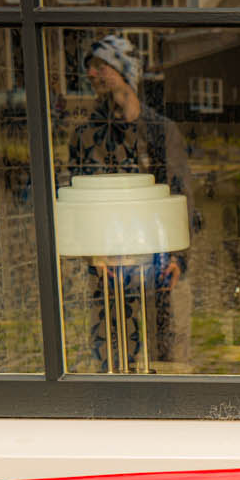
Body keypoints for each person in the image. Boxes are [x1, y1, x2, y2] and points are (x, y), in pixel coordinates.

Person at [65, 34, 195, 368]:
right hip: (105, 276)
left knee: (165, 358)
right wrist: (94, 252)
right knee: (110, 359)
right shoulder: (84, 136)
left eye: (100, 66)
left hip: (158, 270)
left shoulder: (161, 132)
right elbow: (76, 203)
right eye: (89, 68)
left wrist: (178, 258)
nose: (91, 74)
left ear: (124, 71)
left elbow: (181, 196)